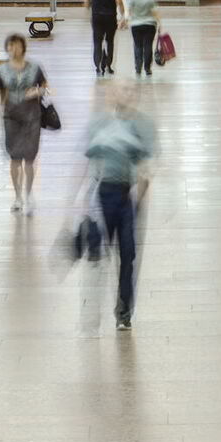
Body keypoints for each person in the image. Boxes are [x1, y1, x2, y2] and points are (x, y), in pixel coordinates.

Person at [84, 84, 155, 330]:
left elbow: (146, 165)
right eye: (121, 90)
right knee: (100, 256)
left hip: (127, 198)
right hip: (104, 195)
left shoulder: (139, 127)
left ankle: (124, 311)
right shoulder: (101, 124)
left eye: (130, 91)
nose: (126, 95)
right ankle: (93, 310)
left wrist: (139, 195)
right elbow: (88, 164)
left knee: (128, 255)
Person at [0, 34, 49, 216]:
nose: (13, 49)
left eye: (17, 46)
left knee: (30, 158)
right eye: (10, 46)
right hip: (11, 118)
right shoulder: (2, 71)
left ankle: (29, 193)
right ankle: (17, 196)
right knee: (15, 158)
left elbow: (46, 87)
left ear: (23, 47)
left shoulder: (35, 68)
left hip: (32, 118)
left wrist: (38, 91)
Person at [84, 0, 124, 77]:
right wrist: (122, 15)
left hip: (96, 16)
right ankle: (108, 65)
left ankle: (97, 66)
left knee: (97, 41)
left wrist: (88, 11)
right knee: (109, 41)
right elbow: (119, 2)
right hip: (110, 16)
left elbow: (86, 1)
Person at [126, 0, 160, 77]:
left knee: (138, 45)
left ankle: (138, 67)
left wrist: (127, 20)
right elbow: (155, 12)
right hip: (150, 24)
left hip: (136, 25)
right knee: (148, 45)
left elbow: (129, 10)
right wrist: (160, 23)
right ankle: (147, 68)